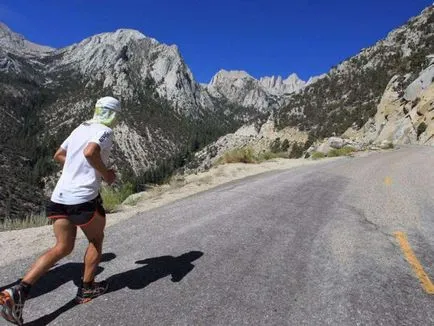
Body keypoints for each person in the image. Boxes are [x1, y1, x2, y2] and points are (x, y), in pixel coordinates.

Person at [0, 96, 121, 325]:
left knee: (62, 247)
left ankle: (18, 291)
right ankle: (87, 289)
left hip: (59, 197)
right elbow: (90, 152)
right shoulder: (105, 131)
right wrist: (106, 175)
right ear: (114, 115)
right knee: (96, 239)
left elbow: (58, 155)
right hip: (83, 199)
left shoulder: (80, 128)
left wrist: (78, 168)